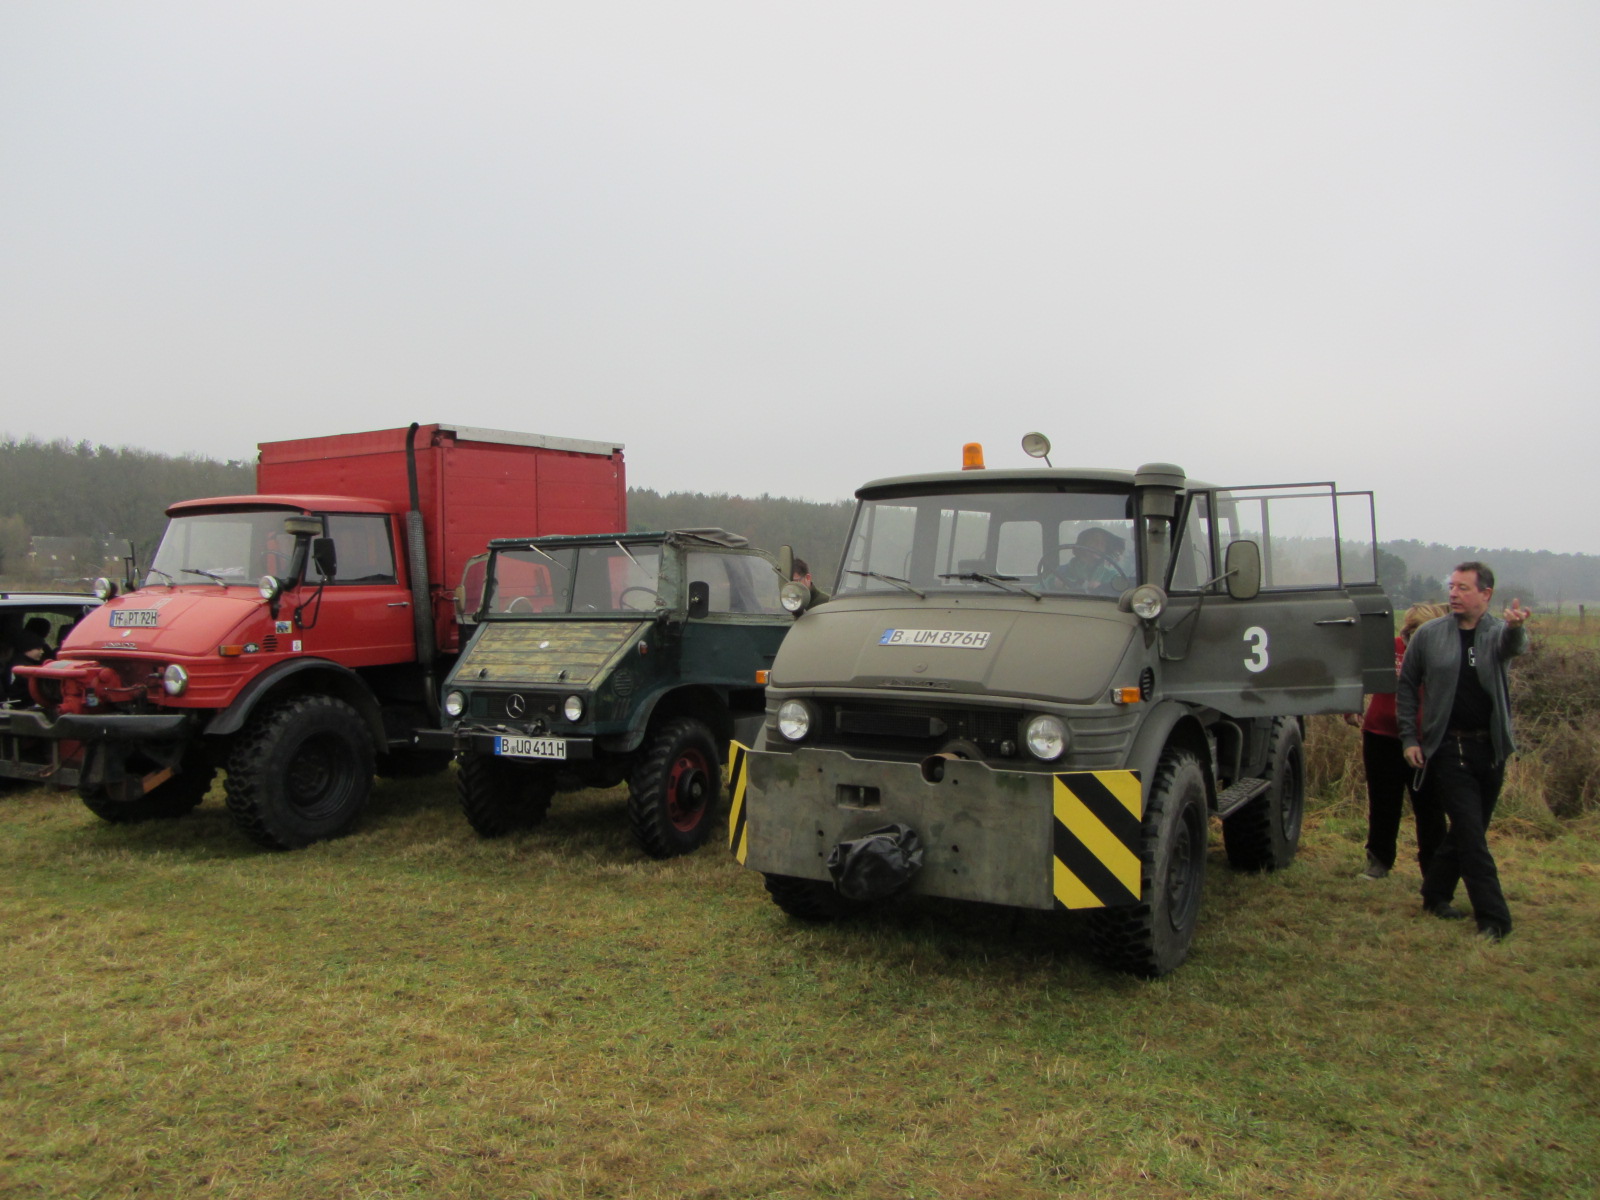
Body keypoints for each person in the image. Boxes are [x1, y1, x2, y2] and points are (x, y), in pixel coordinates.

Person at [1397, 562, 1530, 940]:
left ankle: (1435, 893)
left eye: (1463, 588)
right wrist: (1410, 738)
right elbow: (1407, 686)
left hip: (1490, 750)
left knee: (1469, 831)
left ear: (1485, 595)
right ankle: (1494, 920)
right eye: (1451, 586)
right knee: (1472, 836)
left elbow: (1514, 646)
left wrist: (1517, 627)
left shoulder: (1497, 634)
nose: (1453, 593)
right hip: (1447, 748)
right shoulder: (1429, 635)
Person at [1344, 602, 1448, 880]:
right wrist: (1351, 703)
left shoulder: (1443, 654)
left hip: (1426, 740)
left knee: (1430, 807)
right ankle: (1378, 860)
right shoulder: (1390, 647)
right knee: (1383, 803)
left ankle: (1434, 869)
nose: (1411, 635)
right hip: (1381, 734)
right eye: (1410, 629)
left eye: (1418, 629)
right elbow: (1357, 668)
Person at [1044, 527, 1126, 594]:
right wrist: (1054, 584)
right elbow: (1038, 590)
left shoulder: (1111, 576)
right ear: (1083, 544)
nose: (1099, 546)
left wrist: (1103, 587)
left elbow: (1123, 594)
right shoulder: (1061, 572)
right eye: (1095, 541)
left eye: (1103, 543)